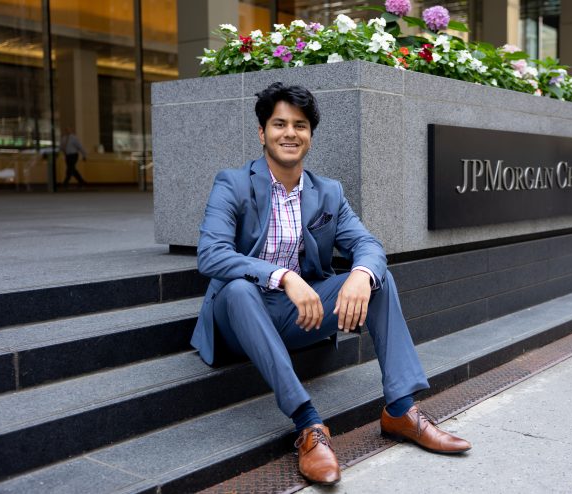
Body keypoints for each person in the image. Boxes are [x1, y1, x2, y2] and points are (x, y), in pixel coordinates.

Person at [191, 82, 471, 485]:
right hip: (239, 317)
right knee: (238, 288)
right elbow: (211, 255)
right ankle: (308, 425)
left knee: (379, 278)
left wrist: (360, 274)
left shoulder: (328, 193)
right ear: (262, 133)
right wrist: (284, 276)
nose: (290, 133)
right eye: (279, 124)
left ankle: (401, 409)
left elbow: (367, 244)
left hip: (299, 316)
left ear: (310, 135)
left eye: (300, 125)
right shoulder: (232, 184)